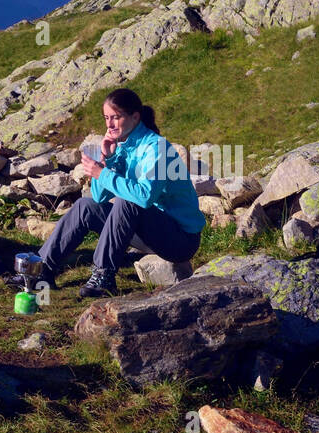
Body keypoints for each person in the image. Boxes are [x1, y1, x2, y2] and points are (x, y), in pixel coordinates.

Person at [36, 87, 205, 299]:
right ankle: (42, 270)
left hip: (179, 240)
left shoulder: (157, 148)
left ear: (135, 117)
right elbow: (99, 198)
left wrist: (102, 173)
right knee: (84, 206)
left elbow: (144, 197)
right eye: (106, 118)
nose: (109, 124)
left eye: (116, 117)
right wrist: (107, 158)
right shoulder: (125, 147)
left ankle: (104, 275)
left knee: (129, 201)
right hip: (148, 231)